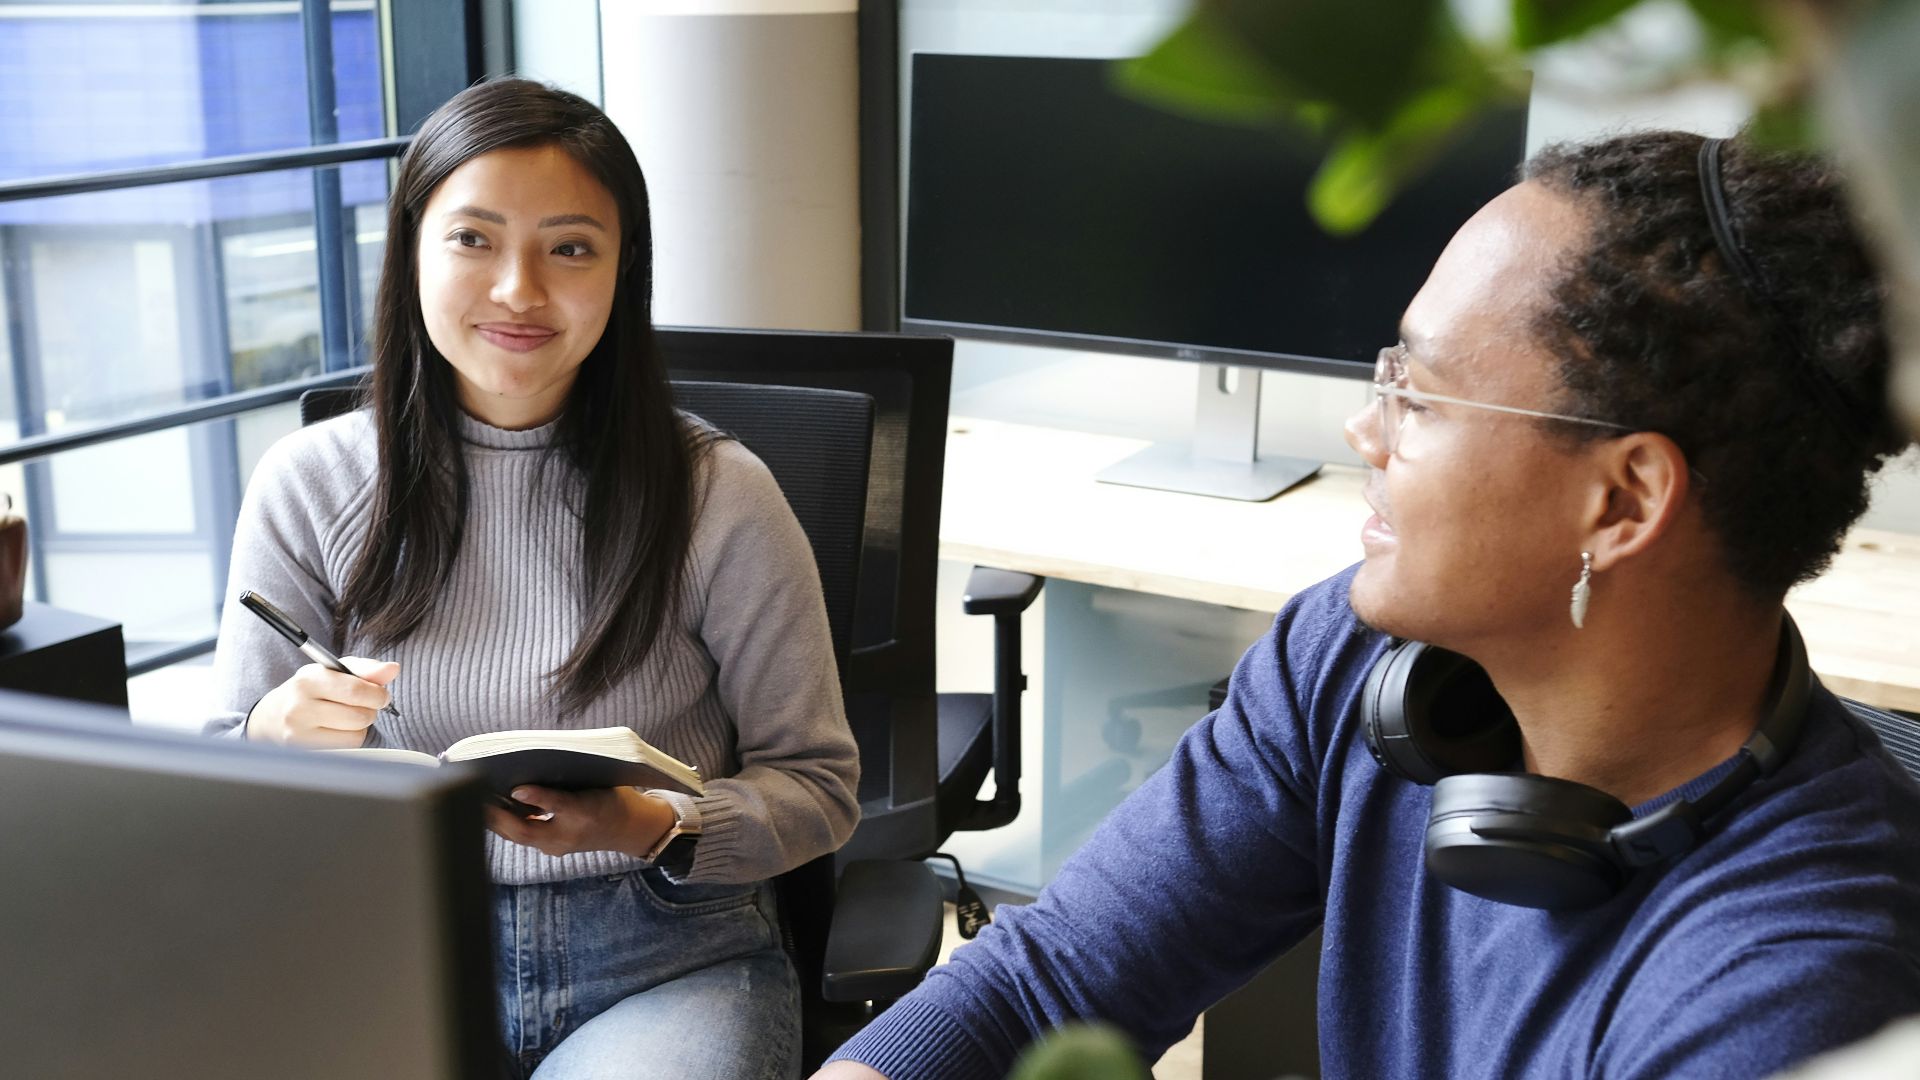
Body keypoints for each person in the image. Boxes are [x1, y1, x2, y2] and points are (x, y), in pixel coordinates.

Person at [817, 130, 1920, 1080]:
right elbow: (1046, 985)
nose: (1365, 430)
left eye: (1418, 395)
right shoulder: (1357, 664)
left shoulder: (1791, 998)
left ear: (1622, 500)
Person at [207, 78, 859, 1080]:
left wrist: (654, 822)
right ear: (412, 252)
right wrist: (272, 733)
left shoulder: (719, 492)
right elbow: (218, 780)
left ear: (624, 272)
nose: (518, 289)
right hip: (390, 950)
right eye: (473, 239)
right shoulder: (310, 482)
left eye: (571, 248)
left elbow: (818, 785)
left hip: (666, 954)